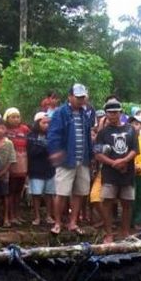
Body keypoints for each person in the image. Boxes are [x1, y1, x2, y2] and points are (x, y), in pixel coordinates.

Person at [48, 84, 94, 235]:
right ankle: (57, 223)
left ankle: (73, 222)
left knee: (79, 192)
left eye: (83, 97)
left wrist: (91, 156)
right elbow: (53, 135)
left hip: (83, 158)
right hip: (66, 159)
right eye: (78, 97)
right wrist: (56, 152)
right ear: (70, 97)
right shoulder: (60, 113)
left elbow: (88, 136)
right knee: (61, 192)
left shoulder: (85, 113)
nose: (81, 100)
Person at [94, 99, 138, 243]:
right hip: (109, 173)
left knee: (127, 203)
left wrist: (124, 160)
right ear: (106, 114)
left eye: (115, 112)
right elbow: (97, 153)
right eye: (110, 112)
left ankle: (124, 232)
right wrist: (113, 163)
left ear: (120, 112)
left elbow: (135, 150)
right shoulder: (103, 132)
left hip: (127, 171)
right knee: (107, 202)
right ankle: (109, 233)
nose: (113, 115)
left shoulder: (131, 129)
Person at [27, 112, 56, 226]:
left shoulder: (53, 135)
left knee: (49, 194)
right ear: (37, 123)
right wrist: (43, 147)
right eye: (44, 123)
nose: (46, 125)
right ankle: (37, 217)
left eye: (48, 123)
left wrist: (45, 146)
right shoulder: (31, 135)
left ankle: (49, 216)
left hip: (50, 168)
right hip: (36, 169)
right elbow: (31, 152)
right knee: (36, 194)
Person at [3, 108, 30, 225]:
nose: (16, 119)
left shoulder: (24, 129)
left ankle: (17, 215)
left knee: (19, 190)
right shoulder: (5, 130)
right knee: (10, 190)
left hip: (23, 162)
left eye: (17, 117)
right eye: (12, 117)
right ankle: (10, 215)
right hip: (11, 163)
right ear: (7, 118)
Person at [0, 118, 15, 227]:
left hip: (4, 175)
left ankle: (6, 218)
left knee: (5, 195)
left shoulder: (9, 143)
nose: (0, 130)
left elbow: (11, 159)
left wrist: (4, 171)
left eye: (3, 128)